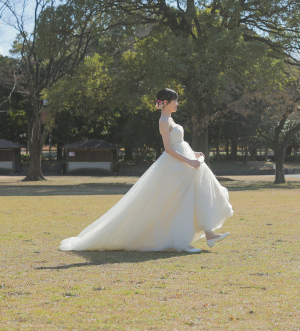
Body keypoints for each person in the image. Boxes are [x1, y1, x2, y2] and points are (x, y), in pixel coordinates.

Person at [60, 88, 233, 253]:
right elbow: (168, 149)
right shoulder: (164, 121)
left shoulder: (171, 120)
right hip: (176, 167)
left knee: (198, 194)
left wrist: (193, 154)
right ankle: (184, 241)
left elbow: (178, 144)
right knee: (182, 202)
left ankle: (209, 233)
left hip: (184, 165)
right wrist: (189, 160)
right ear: (165, 102)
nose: (177, 104)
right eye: (175, 100)